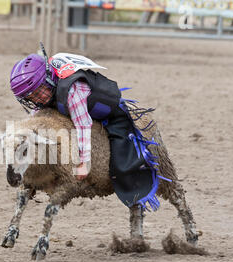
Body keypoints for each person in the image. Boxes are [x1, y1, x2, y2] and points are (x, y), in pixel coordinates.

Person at [9, 45, 167, 211]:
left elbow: (83, 125)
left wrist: (83, 162)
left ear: (48, 79)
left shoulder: (72, 91)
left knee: (123, 163)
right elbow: (37, 114)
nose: (35, 99)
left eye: (37, 92)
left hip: (112, 115)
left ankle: (139, 193)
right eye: (29, 97)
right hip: (81, 112)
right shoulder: (47, 89)